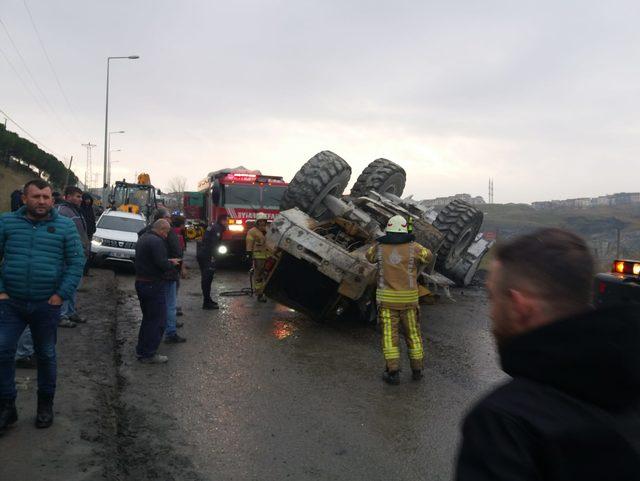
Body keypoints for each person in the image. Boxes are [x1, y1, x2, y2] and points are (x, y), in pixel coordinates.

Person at [455, 228, 640, 480]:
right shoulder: (628, 385)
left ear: (520, 307)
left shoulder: (504, 424)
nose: (490, 313)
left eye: (492, 297)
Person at [0, 179, 84, 431]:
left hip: (46, 304)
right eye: (36, 197)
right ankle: (7, 406)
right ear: (24, 199)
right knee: (3, 351)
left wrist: (61, 294)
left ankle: (45, 406)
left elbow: (76, 263)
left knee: (46, 355)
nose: (42, 201)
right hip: (11, 303)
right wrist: (1, 291)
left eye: (46, 197)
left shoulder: (65, 227)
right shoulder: (7, 222)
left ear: (52, 199)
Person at [365, 215, 432, 385]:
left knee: (389, 336)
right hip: (409, 302)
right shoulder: (414, 248)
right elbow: (428, 256)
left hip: (387, 302)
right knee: (413, 335)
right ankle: (417, 370)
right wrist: (411, 239)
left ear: (388, 229)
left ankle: (393, 372)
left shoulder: (379, 247)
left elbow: (369, 256)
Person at [134, 219, 181, 363]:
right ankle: (148, 354)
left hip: (141, 282)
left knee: (148, 319)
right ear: (161, 229)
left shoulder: (143, 238)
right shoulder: (157, 242)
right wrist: (171, 264)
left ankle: (141, 350)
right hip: (153, 284)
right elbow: (161, 264)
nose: (167, 236)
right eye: (166, 232)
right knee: (157, 320)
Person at [56, 186, 90, 327]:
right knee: (66, 284)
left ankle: (70, 312)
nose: (80, 199)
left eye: (81, 197)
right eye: (77, 196)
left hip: (78, 254)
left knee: (74, 285)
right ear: (67, 197)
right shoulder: (62, 211)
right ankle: (61, 315)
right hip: (67, 255)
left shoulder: (76, 211)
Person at [196, 215, 226, 310]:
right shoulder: (217, 228)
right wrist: (214, 257)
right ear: (222, 221)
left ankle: (208, 300)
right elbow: (214, 244)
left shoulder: (214, 226)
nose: (227, 223)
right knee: (207, 279)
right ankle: (206, 302)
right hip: (207, 256)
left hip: (204, 254)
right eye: (226, 221)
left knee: (207, 279)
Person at [246, 212, 269, 302]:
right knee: (258, 275)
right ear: (257, 222)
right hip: (258, 257)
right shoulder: (252, 231)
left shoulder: (268, 230)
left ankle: (267, 292)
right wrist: (248, 253)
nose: (262, 223)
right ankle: (259, 294)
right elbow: (249, 243)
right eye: (260, 221)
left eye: (264, 221)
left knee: (267, 275)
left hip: (268, 256)